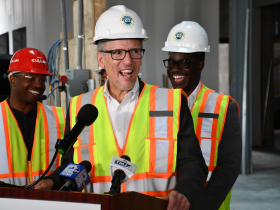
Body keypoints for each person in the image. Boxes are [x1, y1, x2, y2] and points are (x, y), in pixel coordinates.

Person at [50, 6, 208, 210]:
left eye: (135, 51)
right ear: (101, 59)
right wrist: (53, 181)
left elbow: (193, 162)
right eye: (117, 52)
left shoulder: (173, 102)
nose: (128, 61)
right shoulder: (80, 106)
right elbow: (70, 166)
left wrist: (185, 191)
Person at [162, 21, 242, 210]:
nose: (175, 69)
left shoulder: (223, 107)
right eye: (172, 62)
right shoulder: (159, 104)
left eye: (183, 63)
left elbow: (228, 168)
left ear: (200, 65)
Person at [0, 48, 65, 189]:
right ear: (12, 79)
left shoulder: (60, 118)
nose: (38, 84)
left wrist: (53, 181)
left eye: (42, 79)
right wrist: (18, 192)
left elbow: (71, 163)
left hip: (49, 203)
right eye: (30, 77)